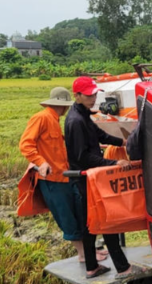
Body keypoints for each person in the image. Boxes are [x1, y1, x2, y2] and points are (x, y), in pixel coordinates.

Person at [19, 87, 108, 263]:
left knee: (78, 212)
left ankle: (88, 251)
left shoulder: (55, 120)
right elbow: (26, 144)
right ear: (66, 105)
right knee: (67, 216)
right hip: (51, 179)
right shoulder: (42, 118)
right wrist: (41, 162)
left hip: (65, 176)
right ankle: (83, 255)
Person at [65, 76, 136, 279]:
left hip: (89, 178)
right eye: (88, 95)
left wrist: (123, 143)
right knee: (107, 220)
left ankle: (91, 267)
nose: (93, 98)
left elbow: (99, 135)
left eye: (94, 94)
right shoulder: (76, 121)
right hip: (85, 178)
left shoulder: (82, 114)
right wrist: (114, 163)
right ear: (77, 96)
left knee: (91, 223)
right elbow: (83, 156)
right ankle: (123, 267)